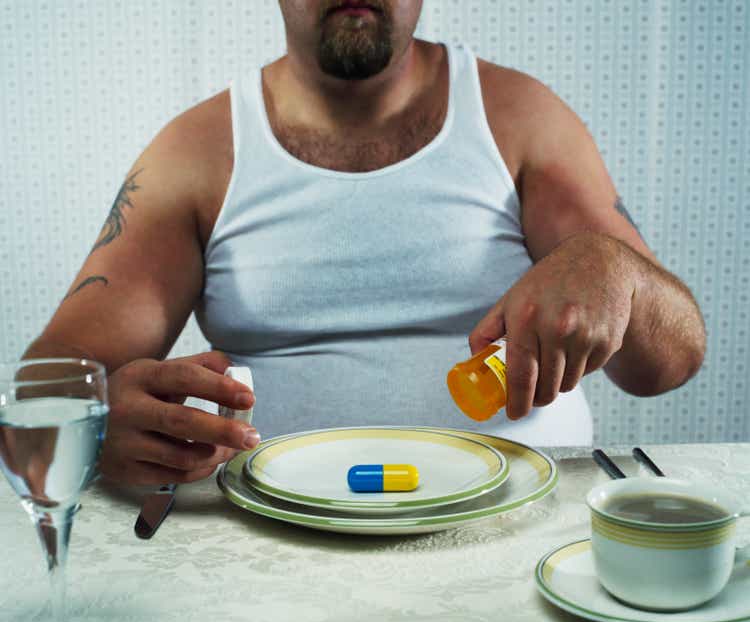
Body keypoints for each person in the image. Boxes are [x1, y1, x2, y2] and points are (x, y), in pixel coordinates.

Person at [24, 0, 706, 486]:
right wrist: (98, 424)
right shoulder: (195, 153)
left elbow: (668, 364)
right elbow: (42, 393)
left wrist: (619, 273)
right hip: (277, 545)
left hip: (515, 527)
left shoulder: (521, 119)